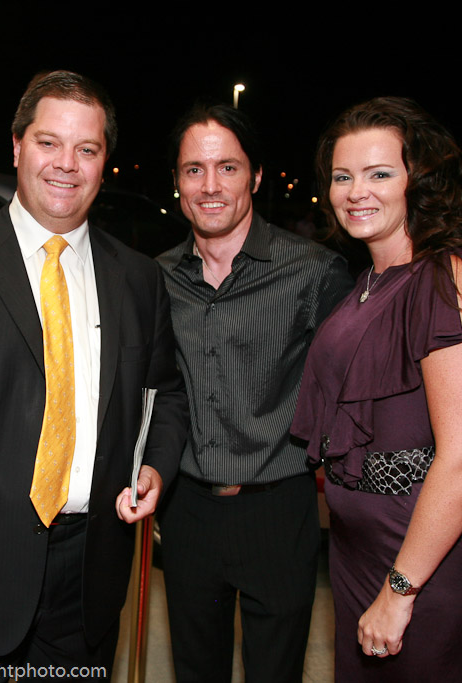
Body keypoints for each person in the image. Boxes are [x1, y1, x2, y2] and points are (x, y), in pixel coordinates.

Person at [0, 70, 188, 678]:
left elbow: (167, 395)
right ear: (18, 146)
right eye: (49, 142)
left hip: (91, 577)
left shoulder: (138, 279)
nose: (66, 164)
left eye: (87, 149)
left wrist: (154, 466)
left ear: (104, 161)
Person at [291, 96, 462, 681]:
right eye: (342, 177)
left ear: (417, 181)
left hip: (420, 558)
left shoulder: (447, 274)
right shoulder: (369, 280)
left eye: (379, 174)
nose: (356, 192)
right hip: (356, 552)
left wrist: (400, 590)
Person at [155, 102, 352, 682]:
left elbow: (367, 380)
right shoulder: (154, 278)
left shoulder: (314, 272)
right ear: (177, 182)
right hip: (187, 513)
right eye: (193, 169)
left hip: (279, 511)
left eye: (228, 167)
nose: (210, 186)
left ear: (256, 176)